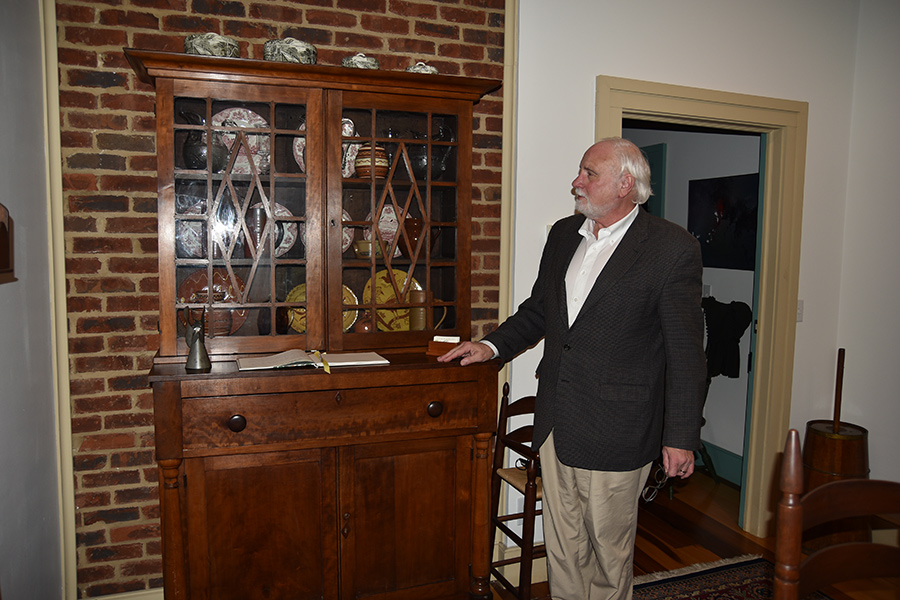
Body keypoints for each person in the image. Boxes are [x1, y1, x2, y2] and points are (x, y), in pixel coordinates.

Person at [439, 137, 707, 600]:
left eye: (589, 173)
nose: (576, 182)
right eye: (580, 172)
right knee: (563, 548)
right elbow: (539, 310)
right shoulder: (565, 234)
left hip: (618, 429)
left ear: (626, 184)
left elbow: (686, 351)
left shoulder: (671, 248)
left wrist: (680, 437)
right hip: (556, 423)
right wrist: (490, 347)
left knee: (609, 553)